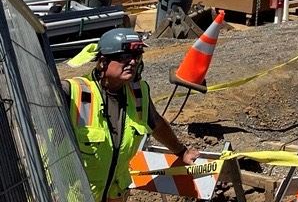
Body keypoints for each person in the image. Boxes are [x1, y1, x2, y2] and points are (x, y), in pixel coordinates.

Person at [63, 28, 199, 202]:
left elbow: (155, 123)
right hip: (73, 195)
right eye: (125, 57)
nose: (133, 62)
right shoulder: (74, 91)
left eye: (137, 56)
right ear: (103, 62)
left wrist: (182, 152)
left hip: (114, 194)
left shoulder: (138, 93)